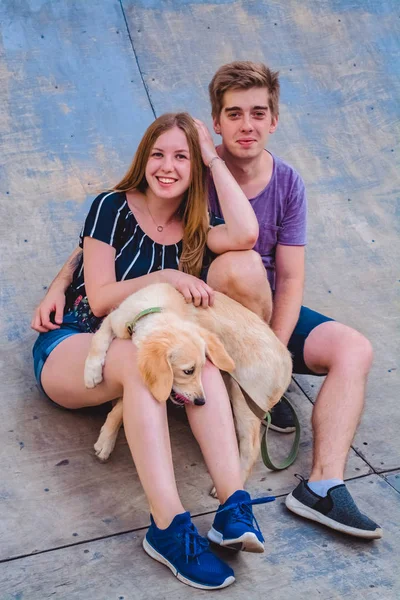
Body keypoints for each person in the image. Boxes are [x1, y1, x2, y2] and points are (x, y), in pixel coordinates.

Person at [33, 62, 382, 540]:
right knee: (183, 327)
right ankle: (173, 524)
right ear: (215, 123)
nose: (247, 125)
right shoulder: (149, 195)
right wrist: (61, 284)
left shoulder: (231, 203)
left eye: (258, 113)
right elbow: (101, 262)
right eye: (234, 114)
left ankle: (289, 492)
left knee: (343, 348)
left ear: (274, 119)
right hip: (138, 327)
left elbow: (271, 257)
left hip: (232, 321)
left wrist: (275, 361)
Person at [31, 112, 275, 590]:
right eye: (158, 154)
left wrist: (211, 157)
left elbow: (246, 235)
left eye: (181, 157)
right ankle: (167, 527)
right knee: (143, 365)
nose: (167, 166)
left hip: (147, 350)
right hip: (76, 344)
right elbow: (100, 298)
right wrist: (167, 276)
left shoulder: (195, 225)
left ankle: (233, 506)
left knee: (198, 354)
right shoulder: (112, 207)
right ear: (144, 160)